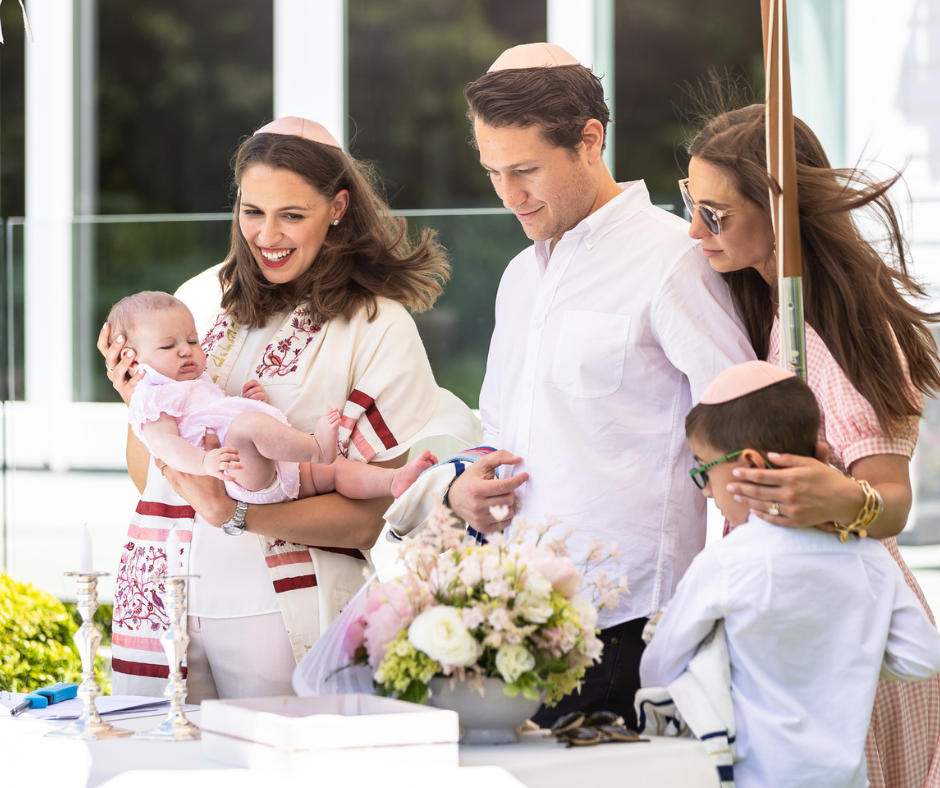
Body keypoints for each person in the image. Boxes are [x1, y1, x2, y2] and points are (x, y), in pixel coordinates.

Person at [97, 117, 480, 702]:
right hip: (162, 590)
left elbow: (369, 517)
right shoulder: (196, 298)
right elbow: (149, 474)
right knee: (160, 750)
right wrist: (139, 401)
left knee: (279, 752)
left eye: (292, 215)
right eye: (252, 211)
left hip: (280, 606)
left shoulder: (378, 325)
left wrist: (236, 515)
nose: (267, 235)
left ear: (338, 207)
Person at [443, 42, 755, 728]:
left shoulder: (674, 260)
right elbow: (500, 429)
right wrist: (465, 487)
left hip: (623, 622)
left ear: (590, 140)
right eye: (493, 172)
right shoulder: (518, 277)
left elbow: (742, 425)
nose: (508, 196)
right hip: (508, 620)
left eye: (526, 170)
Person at [683, 103, 940, 787]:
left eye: (714, 214)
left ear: (780, 211)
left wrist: (843, 498)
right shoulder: (772, 311)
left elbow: (892, 501)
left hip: (848, 638)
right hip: (796, 627)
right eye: (690, 204)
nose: (694, 230)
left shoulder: (844, 324)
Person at [640, 360, 940, 788]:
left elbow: (658, 668)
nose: (706, 490)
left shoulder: (726, 563)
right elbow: (922, 657)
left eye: (705, 470)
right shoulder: (869, 556)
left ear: (749, 464)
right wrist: (849, 653)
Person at [109, 290, 437, 504]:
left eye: (193, 341)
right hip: (234, 475)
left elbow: (218, 418)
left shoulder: (195, 383)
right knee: (247, 426)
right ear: (132, 360)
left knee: (336, 472)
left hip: (267, 468)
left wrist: (253, 402)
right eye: (168, 346)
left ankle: (393, 481)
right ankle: (316, 447)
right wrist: (205, 463)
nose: (185, 351)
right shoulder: (152, 397)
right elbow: (165, 445)